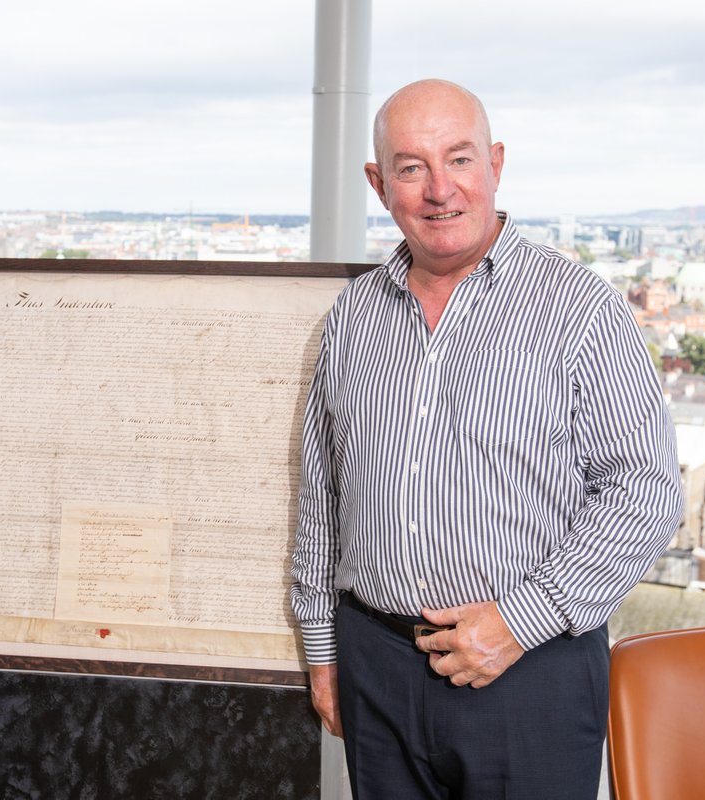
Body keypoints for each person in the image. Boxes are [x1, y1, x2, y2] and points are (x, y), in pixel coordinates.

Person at [289, 79, 683, 799]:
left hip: (531, 669)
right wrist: (324, 649)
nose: (441, 189)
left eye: (460, 160)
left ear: (495, 164)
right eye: (412, 168)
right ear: (380, 185)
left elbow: (645, 495)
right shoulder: (352, 318)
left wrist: (519, 621)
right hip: (375, 667)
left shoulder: (582, 311)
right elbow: (324, 496)